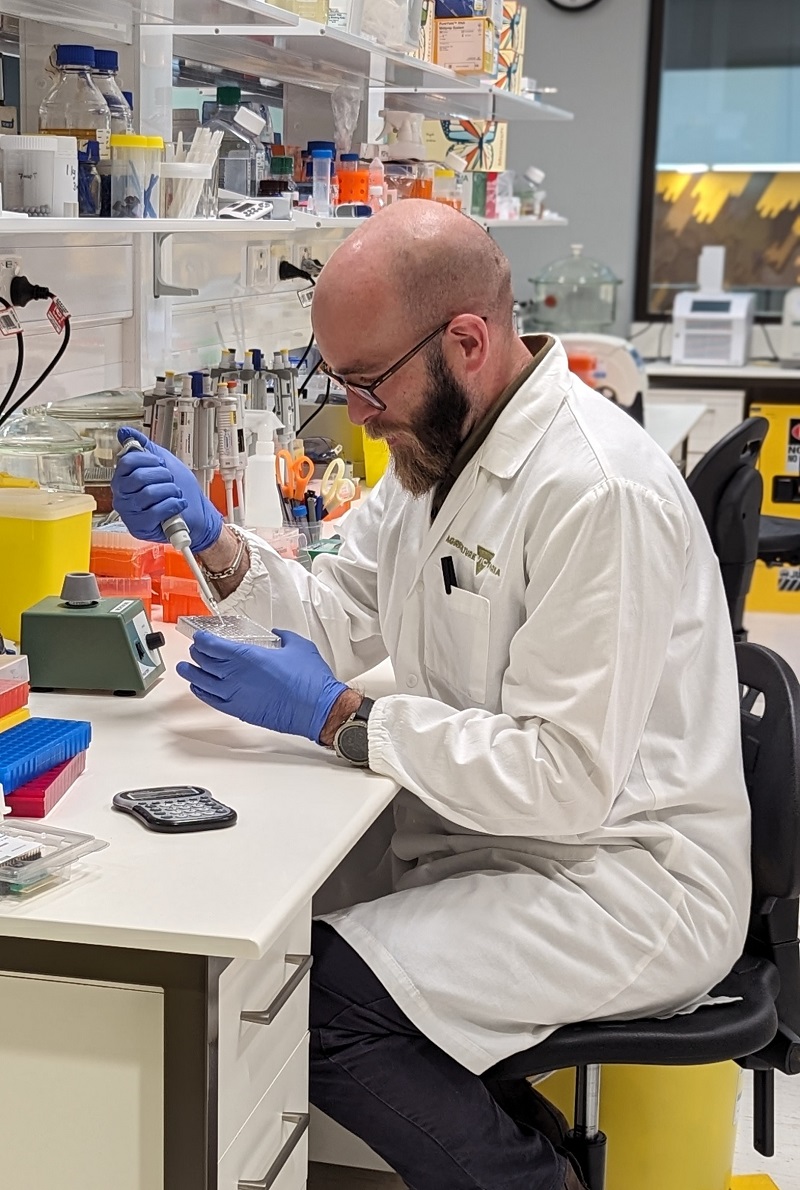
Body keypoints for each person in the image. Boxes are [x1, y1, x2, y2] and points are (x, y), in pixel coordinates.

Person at [111, 200, 751, 1190]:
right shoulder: (437, 454)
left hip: (623, 876)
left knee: (318, 999)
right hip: (505, 842)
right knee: (277, 946)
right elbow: (336, 613)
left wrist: (339, 716)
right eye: (340, 379)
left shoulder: (594, 490)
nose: (357, 410)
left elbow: (563, 776)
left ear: (466, 341)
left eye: (368, 381)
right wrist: (215, 539)